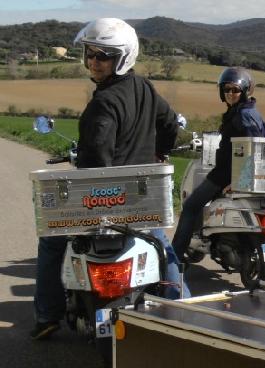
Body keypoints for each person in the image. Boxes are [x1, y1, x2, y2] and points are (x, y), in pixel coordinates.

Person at [31, 18, 190, 340]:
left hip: (105, 200)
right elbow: (171, 123)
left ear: (122, 57)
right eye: (90, 54)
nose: (94, 61)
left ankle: (48, 315)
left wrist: (95, 192)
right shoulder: (145, 87)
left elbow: (95, 162)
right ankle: (185, 310)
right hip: (142, 199)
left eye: (103, 55)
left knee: (50, 243)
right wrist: (160, 153)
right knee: (161, 246)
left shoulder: (103, 103)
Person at [172, 67, 265, 261]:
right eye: (226, 90)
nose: (230, 94)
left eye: (235, 90)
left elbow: (253, 149)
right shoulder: (247, 112)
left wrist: (240, 179)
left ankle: (172, 258)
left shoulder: (243, 117)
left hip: (226, 174)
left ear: (245, 91)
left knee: (191, 206)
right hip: (234, 173)